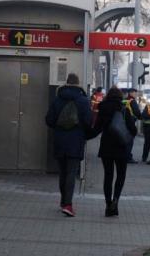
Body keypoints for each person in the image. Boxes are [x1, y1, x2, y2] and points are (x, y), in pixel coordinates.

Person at [44, 73, 93, 217]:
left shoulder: (58, 99)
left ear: (66, 83)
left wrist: (60, 128)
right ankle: (68, 204)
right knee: (71, 173)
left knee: (63, 172)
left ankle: (63, 201)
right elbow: (88, 122)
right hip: (75, 140)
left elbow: (49, 120)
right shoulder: (83, 101)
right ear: (78, 84)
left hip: (59, 140)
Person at [91, 87, 139, 217]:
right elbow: (133, 130)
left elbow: (96, 129)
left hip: (106, 146)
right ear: (120, 97)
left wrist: (85, 135)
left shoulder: (103, 108)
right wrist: (128, 137)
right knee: (121, 175)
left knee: (108, 175)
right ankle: (115, 201)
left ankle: (108, 204)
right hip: (121, 147)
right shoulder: (124, 109)